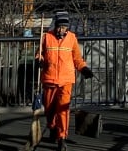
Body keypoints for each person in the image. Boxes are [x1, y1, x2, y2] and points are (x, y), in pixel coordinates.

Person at [34, 11, 93, 150]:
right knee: (49, 109)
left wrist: (84, 69)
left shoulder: (72, 38)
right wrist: (39, 61)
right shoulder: (46, 37)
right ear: (56, 26)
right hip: (49, 79)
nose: (62, 30)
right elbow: (39, 54)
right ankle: (53, 127)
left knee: (63, 110)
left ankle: (62, 137)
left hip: (66, 80)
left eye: (64, 27)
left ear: (68, 28)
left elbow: (77, 58)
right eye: (60, 27)